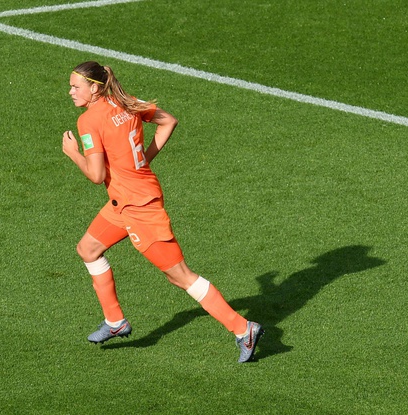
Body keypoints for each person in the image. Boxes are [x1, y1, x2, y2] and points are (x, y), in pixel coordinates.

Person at [62, 61, 263, 363]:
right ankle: (115, 322)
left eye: (76, 86)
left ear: (94, 87)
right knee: (88, 249)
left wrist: (73, 153)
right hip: (125, 200)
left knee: (181, 277)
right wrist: (142, 161)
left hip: (138, 208)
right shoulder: (126, 104)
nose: (70, 92)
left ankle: (242, 328)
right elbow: (168, 121)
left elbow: (95, 174)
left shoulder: (89, 121)